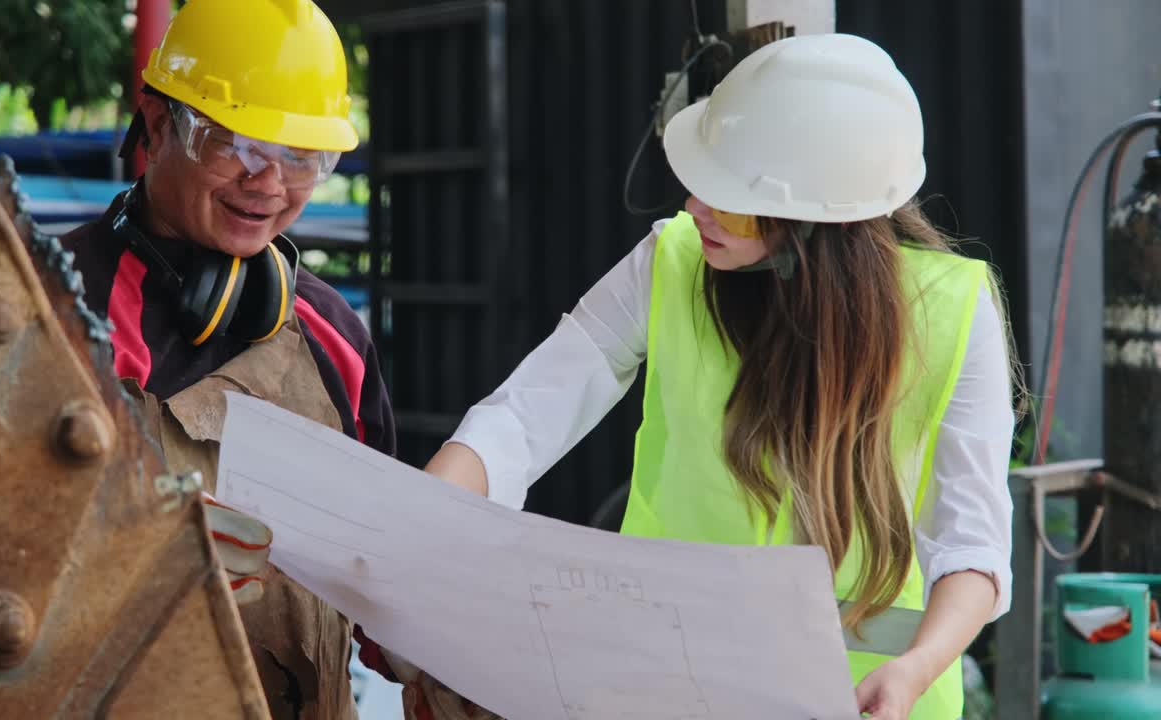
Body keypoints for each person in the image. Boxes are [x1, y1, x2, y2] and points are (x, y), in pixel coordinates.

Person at [424, 33, 1017, 720]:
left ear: (817, 226)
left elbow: (973, 545)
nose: (695, 209)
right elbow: (525, 417)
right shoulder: (671, 263)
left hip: (865, 700)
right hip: (664, 685)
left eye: (732, 198)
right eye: (702, 180)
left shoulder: (950, 309)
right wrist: (427, 522)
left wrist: (913, 670)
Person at [62, 1, 396, 717]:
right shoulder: (47, 305)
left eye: (302, 158)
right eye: (238, 145)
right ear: (157, 123)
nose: (268, 183)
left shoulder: (334, 337)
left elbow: (381, 585)